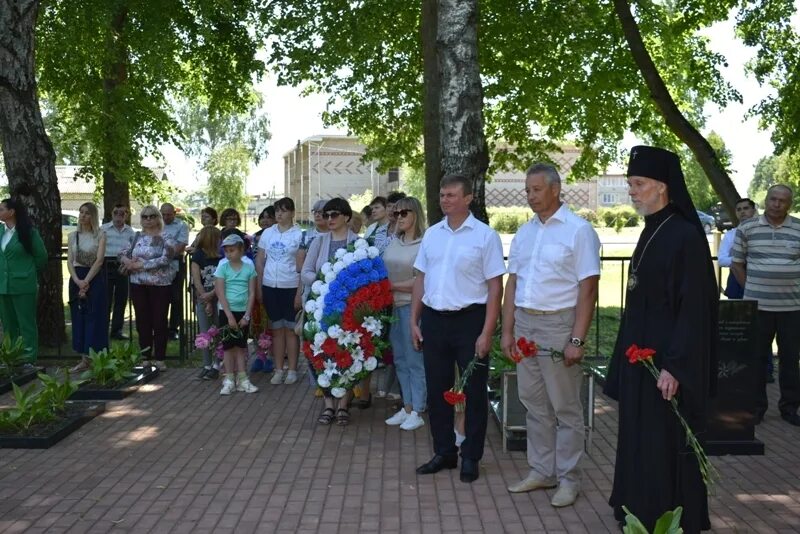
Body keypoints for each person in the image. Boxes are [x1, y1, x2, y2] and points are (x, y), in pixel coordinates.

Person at [604, 146, 717, 532]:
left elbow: (694, 310)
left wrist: (674, 365)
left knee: (662, 441)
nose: (631, 192)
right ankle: (637, 507)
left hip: (666, 364)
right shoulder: (652, 229)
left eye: (638, 184)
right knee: (639, 437)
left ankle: (667, 514)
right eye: (630, 184)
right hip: (641, 360)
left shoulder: (684, 236)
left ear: (662, 188)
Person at [501, 164, 600, 507]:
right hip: (526, 325)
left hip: (559, 325)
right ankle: (541, 471)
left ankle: (569, 478)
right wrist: (508, 330)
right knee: (533, 404)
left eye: (536, 189)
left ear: (556, 189)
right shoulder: (525, 232)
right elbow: (513, 283)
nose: (530, 196)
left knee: (566, 408)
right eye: (527, 190)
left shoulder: (578, 230)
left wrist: (576, 339)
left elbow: (588, 288)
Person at [411, 174, 505, 483]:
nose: (445, 200)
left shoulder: (484, 236)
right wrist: (414, 320)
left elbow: (495, 287)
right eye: (442, 194)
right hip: (434, 321)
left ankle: (471, 457)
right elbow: (420, 279)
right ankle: (444, 452)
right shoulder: (433, 235)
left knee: (473, 392)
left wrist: (487, 332)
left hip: (470, 321)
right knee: (438, 392)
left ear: (468, 198)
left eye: (452, 195)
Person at [731, 184, 800, 427]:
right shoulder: (747, 228)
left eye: (782, 201)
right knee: (756, 360)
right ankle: (757, 408)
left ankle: (790, 407)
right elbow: (737, 263)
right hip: (758, 307)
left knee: (791, 360)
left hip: (792, 308)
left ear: (789, 205)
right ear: (766, 200)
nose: (777, 204)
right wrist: (750, 288)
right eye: (773, 199)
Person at [301, 198, 359, 425]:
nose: (329, 219)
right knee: (321, 354)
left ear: (346, 216)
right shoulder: (319, 241)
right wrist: (320, 281)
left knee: (346, 352)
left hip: (348, 308)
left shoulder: (358, 243)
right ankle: (328, 404)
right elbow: (305, 270)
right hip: (320, 306)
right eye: (326, 215)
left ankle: (343, 404)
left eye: (334, 215)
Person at [383, 196, 428, 431]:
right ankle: (408, 406)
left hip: (414, 306)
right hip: (392, 307)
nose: (398, 217)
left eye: (404, 213)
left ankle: (419, 409)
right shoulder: (394, 242)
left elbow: (422, 280)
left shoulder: (424, 243)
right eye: (396, 213)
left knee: (414, 359)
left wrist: (393, 286)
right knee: (399, 358)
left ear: (415, 215)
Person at [118, 206, 177, 371]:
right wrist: (126, 261)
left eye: (152, 216)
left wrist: (142, 265)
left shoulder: (167, 237)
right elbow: (121, 252)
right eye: (144, 216)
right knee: (142, 321)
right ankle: (145, 357)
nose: (148, 219)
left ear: (158, 218)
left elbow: (166, 258)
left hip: (160, 285)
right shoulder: (136, 236)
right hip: (138, 284)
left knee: (159, 320)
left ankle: (160, 358)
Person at [255, 197, 303, 385]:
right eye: (277, 211)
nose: (280, 214)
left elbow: (301, 265)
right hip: (269, 286)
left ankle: (292, 369)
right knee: (276, 329)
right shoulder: (268, 233)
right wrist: (260, 284)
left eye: (284, 210)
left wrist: (299, 292)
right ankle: (278, 369)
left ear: (292, 212)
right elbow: (260, 260)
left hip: (290, 285)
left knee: (291, 329)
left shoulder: (299, 234)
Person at [0, 194, 47, 364]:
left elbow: (41, 257)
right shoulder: (0, 231)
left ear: (11, 212)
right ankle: (11, 357)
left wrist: (27, 272)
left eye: (2, 209)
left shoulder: (28, 232)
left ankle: (28, 358)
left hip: (23, 285)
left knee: (26, 323)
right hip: (3, 286)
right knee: (8, 324)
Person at [67, 202, 109, 372]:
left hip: (94, 278)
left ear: (93, 216)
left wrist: (87, 281)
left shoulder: (100, 235)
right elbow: (70, 261)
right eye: (81, 212)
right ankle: (83, 358)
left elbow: (99, 260)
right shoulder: (72, 236)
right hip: (77, 277)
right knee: (79, 316)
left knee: (95, 316)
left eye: (87, 213)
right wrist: (78, 281)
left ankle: (96, 357)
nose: (83, 216)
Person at [215, 233, 259, 395]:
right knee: (228, 347)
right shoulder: (222, 267)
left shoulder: (249, 268)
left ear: (241, 250)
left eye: (232, 250)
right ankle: (229, 380)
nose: (229, 254)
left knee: (241, 346)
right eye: (226, 251)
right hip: (227, 312)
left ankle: (243, 379)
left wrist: (247, 316)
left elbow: (252, 293)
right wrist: (229, 316)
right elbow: (220, 292)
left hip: (243, 312)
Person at [191, 226, 222, 380]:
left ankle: (217, 364)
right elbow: (197, 281)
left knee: (218, 331)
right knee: (205, 332)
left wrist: (212, 296)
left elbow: (223, 280)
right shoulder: (197, 256)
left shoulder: (222, 257)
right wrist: (206, 298)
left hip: (220, 296)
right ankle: (206, 364)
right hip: (203, 297)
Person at [101, 204, 135, 340]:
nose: (119, 215)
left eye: (122, 213)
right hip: (106, 265)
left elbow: (133, 250)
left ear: (126, 215)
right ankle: (102, 329)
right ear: (112, 213)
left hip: (122, 267)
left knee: (121, 299)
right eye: (116, 212)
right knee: (106, 299)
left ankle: (116, 331)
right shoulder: (103, 229)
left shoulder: (130, 232)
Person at [718, 198, 757, 300]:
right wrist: (741, 259)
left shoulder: (763, 233)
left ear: (754, 210)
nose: (742, 211)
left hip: (759, 280)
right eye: (738, 209)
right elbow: (721, 260)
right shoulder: (730, 235)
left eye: (746, 208)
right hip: (736, 283)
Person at [160, 203, 189, 340]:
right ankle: (160, 327)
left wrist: (163, 256)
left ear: (174, 213)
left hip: (176, 265)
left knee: (176, 297)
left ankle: (173, 328)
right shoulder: (156, 224)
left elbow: (181, 245)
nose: (165, 217)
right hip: (158, 267)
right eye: (163, 214)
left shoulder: (182, 225)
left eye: (168, 214)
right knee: (160, 297)